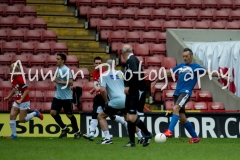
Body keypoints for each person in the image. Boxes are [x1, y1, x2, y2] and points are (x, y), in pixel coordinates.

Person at [151, 48, 220, 143]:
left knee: (175, 108)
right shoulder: (180, 66)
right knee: (182, 117)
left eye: (186, 56)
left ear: (191, 56)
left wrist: (222, 75)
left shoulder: (196, 67)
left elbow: (209, 72)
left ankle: (169, 131)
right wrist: (156, 80)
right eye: (183, 56)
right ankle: (195, 137)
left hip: (185, 93)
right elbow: (168, 73)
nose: (185, 58)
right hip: (177, 93)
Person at [97, 59, 144, 144]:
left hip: (115, 101)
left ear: (105, 66)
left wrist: (106, 101)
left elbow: (103, 90)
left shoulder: (103, 75)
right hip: (126, 99)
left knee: (101, 116)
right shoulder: (121, 73)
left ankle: (108, 138)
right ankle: (141, 137)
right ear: (114, 66)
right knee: (129, 119)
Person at [83, 57, 128, 141]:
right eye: (96, 63)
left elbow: (107, 87)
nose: (97, 65)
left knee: (109, 116)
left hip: (106, 96)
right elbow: (98, 84)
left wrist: (99, 90)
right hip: (99, 96)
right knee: (95, 113)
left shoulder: (105, 73)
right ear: (93, 64)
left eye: (99, 63)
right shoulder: (94, 73)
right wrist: (94, 89)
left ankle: (124, 124)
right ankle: (91, 133)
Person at [122, 45, 152, 147]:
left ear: (123, 54)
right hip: (132, 91)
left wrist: (128, 86)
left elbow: (134, 73)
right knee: (128, 117)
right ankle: (132, 141)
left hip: (136, 91)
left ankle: (147, 134)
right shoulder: (132, 60)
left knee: (132, 117)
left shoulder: (131, 60)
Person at [4, 63, 43, 139]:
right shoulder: (13, 79)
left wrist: (21, 99)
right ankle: (14, 135)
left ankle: (35, 113)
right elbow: (15, 89)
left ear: (18, 70)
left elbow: (26, 90)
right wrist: (8, 97)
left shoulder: (20, 79)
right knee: (12, 116)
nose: (13, 71)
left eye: (15, 70)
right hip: (17, 100)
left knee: (22, 120)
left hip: (24, 101)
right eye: (12, 70)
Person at [50, 53, 81, 139]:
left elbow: (71, 82)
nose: (56, 60)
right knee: (53, 113)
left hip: (66, 98)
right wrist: (56, 85)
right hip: (58, 96)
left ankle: (77, 132)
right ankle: (64, 128)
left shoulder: (66, 70)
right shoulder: (58, 69)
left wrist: (58, 82)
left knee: (69, 115)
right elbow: (58, 80)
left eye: (58, 59)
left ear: (63, 60)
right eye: (56, 58)